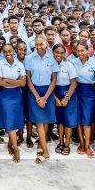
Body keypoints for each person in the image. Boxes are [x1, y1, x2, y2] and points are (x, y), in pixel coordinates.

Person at [25, 35, 58, 164]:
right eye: (36, 44)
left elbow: (54, 79)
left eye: (41, 44)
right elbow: (28, 78)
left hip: (48, 91)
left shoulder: (52, 58)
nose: (38, 47)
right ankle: (46, 151)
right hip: (34, 92)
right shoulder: (29, 58)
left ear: (46, 44)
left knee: (45, 122)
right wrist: (38, 97)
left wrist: (45, 97)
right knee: (39, 122)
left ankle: (41, 145)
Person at [0, 44, 26, 163]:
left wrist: (7, 80)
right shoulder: (0, 64)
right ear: (2, 52)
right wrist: (16, 82)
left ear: (14, 51)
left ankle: (10, 144)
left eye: (10, 51)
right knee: (10, 122)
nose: (7, 53)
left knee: (14, 121)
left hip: (17, 95)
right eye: (5, 51)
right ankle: (16, 149)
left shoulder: (20, 64)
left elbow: (23, 83)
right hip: (5, 96)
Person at [71, 42, 95, 158]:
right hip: (77, 91)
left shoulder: (94, 63)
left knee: (87, 121)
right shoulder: (73, 62)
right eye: (78, 51)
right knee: (78, 119)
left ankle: (87, 146)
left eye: (82, 50)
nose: (80, 53)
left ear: (88, 50)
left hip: (90, 92)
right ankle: (81, 144)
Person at [52, 44, 78, 156]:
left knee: (68, 120)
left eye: (62, 52)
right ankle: (61, 142)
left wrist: (66, 98)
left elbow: (74, 83)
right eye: (56, 52)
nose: (59, 54)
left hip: (68, 94)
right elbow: (49, 83)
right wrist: (55, 98)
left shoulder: (68, 65)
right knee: (60, 121)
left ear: (65, 53)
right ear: (52, 52)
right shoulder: (50, 65)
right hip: (55, 93)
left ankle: (67, 144)